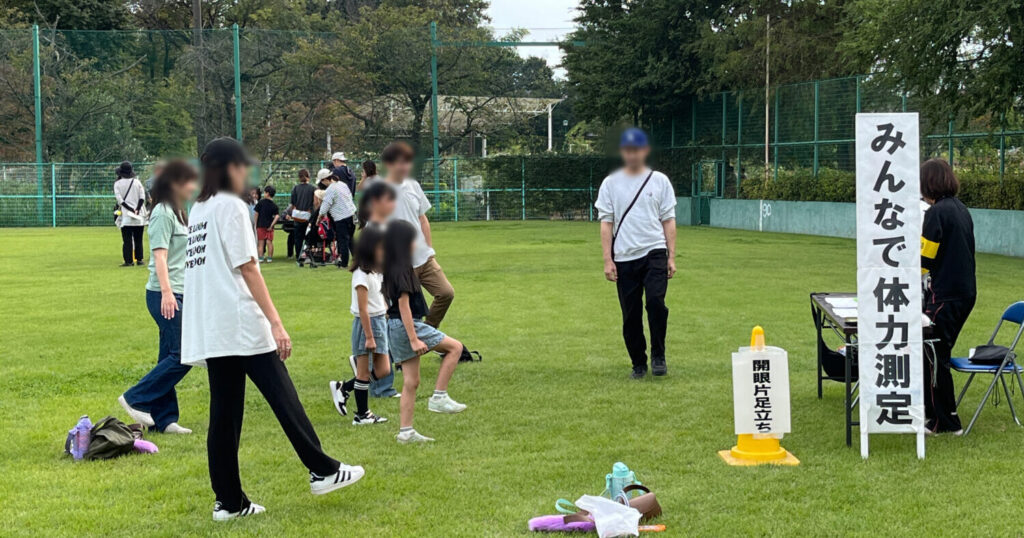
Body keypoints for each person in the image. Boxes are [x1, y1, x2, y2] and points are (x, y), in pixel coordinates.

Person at [181, 137, 363, 521]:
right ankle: (323, 470)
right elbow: (248, 267)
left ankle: (229, 502)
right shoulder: (231, 205)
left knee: (224, 415)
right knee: (283, 397)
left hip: (215, 325)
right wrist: (276, 323)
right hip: (240, 321)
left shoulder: (200, 208)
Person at [118, 160, 198, 435]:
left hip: (179, 291)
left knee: (168, 355)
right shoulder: (163, 212)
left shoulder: (179, 211)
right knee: (184, 353)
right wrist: (167, 293)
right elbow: (160, 257)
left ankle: (164, 419)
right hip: (165, 294)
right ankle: (135, 398)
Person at [595, 127, 677, 379]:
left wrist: (671, 256)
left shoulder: (660, 181)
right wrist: (608, 260)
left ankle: (658, 355)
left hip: (655, 252)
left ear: (645, 151)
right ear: (623, 152)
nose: (632, 154)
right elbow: (606, 223)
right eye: (628, 150)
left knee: (655, 303)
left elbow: (668, 220)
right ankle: (638, 363)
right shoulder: (610, 183)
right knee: (631, 314)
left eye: (637, 150)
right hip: (624, 256)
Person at [383, 221, 467, 444]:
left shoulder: (391, 266)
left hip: (395, 326)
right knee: (455, 348)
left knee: (411, 382)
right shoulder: (402, 268)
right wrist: (414, 339)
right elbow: (403, 306)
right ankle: (439, 397)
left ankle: (406, 432)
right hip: (407, 325)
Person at [920, 158, 976, 435]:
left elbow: (924, 259)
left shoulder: (936, 213)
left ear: (927, 184)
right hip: (964, 292)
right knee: (936, 353)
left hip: (946, 295)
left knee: (933, 354)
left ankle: (945, 421)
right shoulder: (960, 209)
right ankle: (936, 414)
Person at [380, 142, 453, 328]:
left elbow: (422, 219)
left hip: (423, 258)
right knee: (399, 311)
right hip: (400, 263)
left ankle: (429, 331)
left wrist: (429, 248)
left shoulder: (413, 185)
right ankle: (386, 343)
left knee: (446, 293)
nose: (405, 166)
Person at [329, 226, 391, 425]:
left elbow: (379, 296)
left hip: (379, 321)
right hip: (367, 325)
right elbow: (363, 309)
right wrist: (369, 336)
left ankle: (345, 388)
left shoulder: (375, 271)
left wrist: (385, 309)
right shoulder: (360, 274)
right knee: (363, 372)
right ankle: (362, 415)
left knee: (384, 369)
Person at [354, 182, 400, 398]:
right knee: (377, 346)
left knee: (383, 345)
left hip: (381, 288)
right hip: (376, 295)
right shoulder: (374, 228)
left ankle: (364, 382)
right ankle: (379, 387)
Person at [319, 168, 357, 267]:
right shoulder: (342, 184)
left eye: (322, 181)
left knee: (343, 240)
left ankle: (344, 263)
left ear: (325, 180)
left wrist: (318, 218)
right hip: (352, 213)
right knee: (351, 239)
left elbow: (324, 207)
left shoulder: (330, 190)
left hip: (341, 217)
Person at [114, 161, 148, 266]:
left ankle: (128, 261)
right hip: (139, 215)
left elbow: (120, 200)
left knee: (127, 240)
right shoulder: (137, 182)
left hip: (126, 215)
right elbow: (142, 197)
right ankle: (139, 259)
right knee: (139, 239)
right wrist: (137, 209)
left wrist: (130, 209)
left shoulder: (117, 184)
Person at [286, 169, 316, 266]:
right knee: (309, 237)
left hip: (298, 216)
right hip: (308, 216)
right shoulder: (313, 188)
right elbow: (315, 203)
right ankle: (308, 255)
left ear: (299, 177)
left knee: (298, 238)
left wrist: (292, 212)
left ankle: (299, 256)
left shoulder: (295, 188)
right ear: (308, 176)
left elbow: (292, 203)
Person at [254, 186, 280, 263]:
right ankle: (269, 258)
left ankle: (261, 257)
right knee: (269, 242)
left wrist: (255, 224)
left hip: (260, 225)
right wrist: (272, 225)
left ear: (267, 193)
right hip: (269, 227)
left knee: (261, 243)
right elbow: (277, 216)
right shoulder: (274, 205)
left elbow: (256, 214)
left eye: (265, 192)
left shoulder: (260, 203)